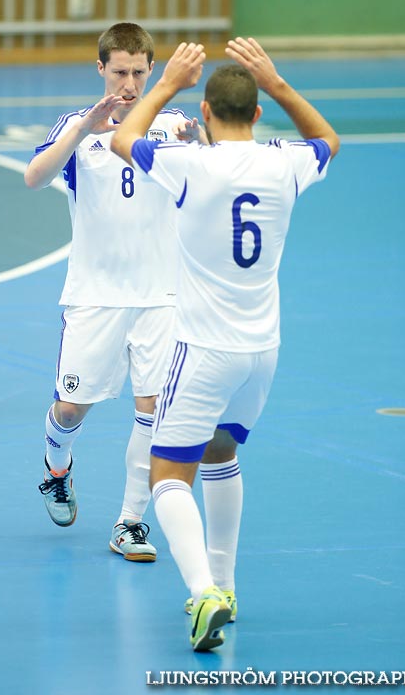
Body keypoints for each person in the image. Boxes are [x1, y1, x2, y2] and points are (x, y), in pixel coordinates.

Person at [111, 36, 340, 650]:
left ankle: (202, 591)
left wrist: (165, 86)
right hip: (262, 352)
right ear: (259, 112)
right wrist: (279, 82)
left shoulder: (191, 166)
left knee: (166, 478)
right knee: (220, 453)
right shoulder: (285, 162)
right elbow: (329, 142)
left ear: (205, 114)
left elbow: (121, 140)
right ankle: (228, 585)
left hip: (203, 349)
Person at [25, 22, 203, 561]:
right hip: (95, 296)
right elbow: (34, 176)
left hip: (160, 296)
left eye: (139, 73)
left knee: (153, 409)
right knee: (70, 408)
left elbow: (219, 167)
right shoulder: (79, 128)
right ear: (100, 69)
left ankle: (129, 523)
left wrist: (202, 143)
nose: (129, 84)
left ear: (152, 72)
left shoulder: (171, 124)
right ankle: (58, 470)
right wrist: (82, 130)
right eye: (119, 72)